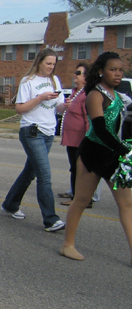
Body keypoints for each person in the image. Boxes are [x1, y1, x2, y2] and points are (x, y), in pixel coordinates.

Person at [60, 53, 132, 261]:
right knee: (81, 200)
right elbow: (99, 128)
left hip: (114, 155)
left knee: (127, 205)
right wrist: (122, 149)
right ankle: (67, 244)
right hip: (94, 153)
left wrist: (122, 149)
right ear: (101, 71)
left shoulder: (117, 96)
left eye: (120, 70)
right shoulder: (95, 94)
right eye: (113, 69)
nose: (118, 74)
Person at [0, 48, 67, 231]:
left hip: (49, 131)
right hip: (32, 131)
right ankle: (51, 219)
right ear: (39, 62)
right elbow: (20, 108)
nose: (51, 67)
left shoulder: (54, 80)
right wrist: (40, 98)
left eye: (53, 64)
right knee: (44, 176)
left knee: (30, 172)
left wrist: (66, 104)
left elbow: (58, 108)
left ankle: (10, 204)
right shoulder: (28, 81)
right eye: (48, 63)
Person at [59, 63, 93, 204]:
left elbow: (88, 119)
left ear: (86, 77)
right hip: (71, 139)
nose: (75, 75)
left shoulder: (86, 94)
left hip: (80, 139)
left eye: (78, 73)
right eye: (75, 72)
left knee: (79, 169)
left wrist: (88, 140)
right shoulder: (74, 92)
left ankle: (82, 199)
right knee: (74, 167)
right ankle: (74, 193)